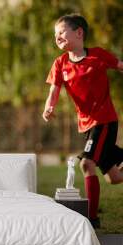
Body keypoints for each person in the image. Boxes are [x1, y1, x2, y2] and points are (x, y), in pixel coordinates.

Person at [42, 14, 123, 228]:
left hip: (104, 120)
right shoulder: (60, 64)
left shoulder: (98, 56)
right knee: (114, 177)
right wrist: (48, 107)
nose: (57, 37)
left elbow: (120, 65)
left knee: (87, 164)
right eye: (55, 34)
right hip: (87, 126)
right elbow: (54, 90)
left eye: (61, 32)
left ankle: (91, 219)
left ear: (79, 33)